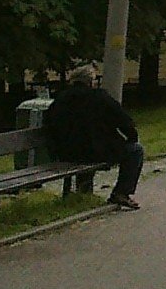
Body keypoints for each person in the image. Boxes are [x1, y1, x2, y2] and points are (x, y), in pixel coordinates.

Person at [44, 64, 146, 210]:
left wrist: (55, 151)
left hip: (66, 153)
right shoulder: (100, 97)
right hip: (97, 152)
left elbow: (49, 126)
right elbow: (124, 121)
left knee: (83, 149)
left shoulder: (60, 100)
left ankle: (83, 193)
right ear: (90, 81)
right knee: (136, 150)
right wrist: (131, 137)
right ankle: (121, 193)